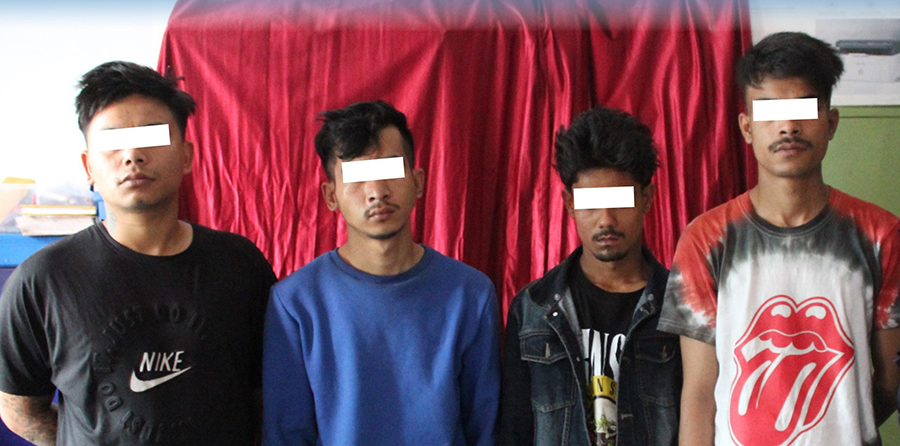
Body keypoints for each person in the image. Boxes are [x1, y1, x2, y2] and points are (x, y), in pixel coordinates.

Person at [0, 61, 276, 445]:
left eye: (152, 136)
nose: (133, 154)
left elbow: (266, 397)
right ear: (88, 167)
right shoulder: (42, 280)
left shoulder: (240, 265)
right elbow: (19, 409)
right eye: (113, 142)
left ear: (186, 155)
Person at [659, 32, 900, 446]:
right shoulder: (705, 240)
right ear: (747, 127)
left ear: (831, 123)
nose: (788, 126)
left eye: (803, 109)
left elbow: (890, 379)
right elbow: (699, 394)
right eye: (770, 112)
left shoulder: (880, 234)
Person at [262, 100, 500, 446]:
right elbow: (287, 436)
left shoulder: (471, 296)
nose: (376, 192)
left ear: (418, 182)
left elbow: (486, 430)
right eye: (357, 178)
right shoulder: (295, 304)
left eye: (390, 170)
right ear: (330, 196)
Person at [500, 106, 681, 446]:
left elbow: (701, 418)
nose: (605, 220)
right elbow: (515, 430)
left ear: (647, 198)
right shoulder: (532, 309)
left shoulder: (680, 305)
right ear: (570, 203)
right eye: (591, 203)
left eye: (619, 200)